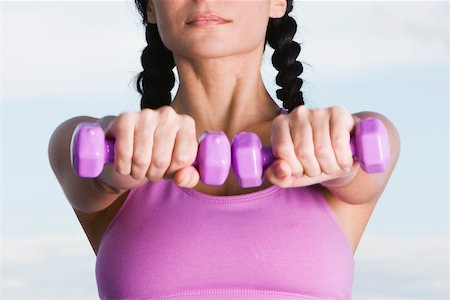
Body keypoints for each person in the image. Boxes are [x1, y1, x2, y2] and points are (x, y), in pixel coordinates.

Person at [48, 0, 400, 299]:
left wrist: (336, 158)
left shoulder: (353, 140)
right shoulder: (94, 143)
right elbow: (89, 173)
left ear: (277, 0)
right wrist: (119, 158)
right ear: (152, 6)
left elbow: (363, 174)